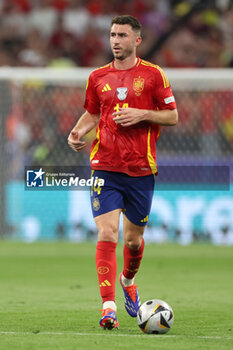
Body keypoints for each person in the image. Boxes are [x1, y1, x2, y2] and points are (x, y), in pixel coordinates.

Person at [68, 15, 178, 330]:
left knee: (132, 240)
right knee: (107, 234)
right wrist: (76, 133)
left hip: (141, 169)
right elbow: (92, 112)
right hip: (105, 167)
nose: (116, 40)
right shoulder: (97, 77)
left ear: (136, 40)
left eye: (122, 35)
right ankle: (108, 307)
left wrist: (142, 114)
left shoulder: (154, 75)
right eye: (113, 35)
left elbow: (172, 117)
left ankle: (128, 280)